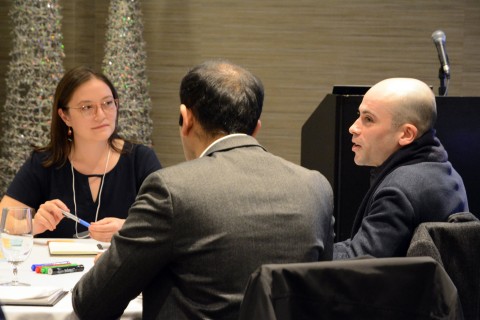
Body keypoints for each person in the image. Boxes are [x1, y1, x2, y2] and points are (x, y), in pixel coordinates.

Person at [72, 59, 334, 319]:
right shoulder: (316, 187)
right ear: (256, 128)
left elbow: (92, 304)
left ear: (186, 119)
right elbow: (322, 297)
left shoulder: (171, 189)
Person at [0, 66, 161, 242]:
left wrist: (127, 227)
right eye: (86, 107)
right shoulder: (44, 162)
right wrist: (33, 225)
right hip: (55, 268)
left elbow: (166, 222)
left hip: (122, 269)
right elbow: (3, 220)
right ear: (65, 116)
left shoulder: (140, 160)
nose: (100, 115)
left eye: (107, 103)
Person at [333, 78, 469, 259]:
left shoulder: (399, 191)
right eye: (358, 115)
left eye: (368, 119)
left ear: (406, 134)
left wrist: (306, 251)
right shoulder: (444, 171)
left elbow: (359, 264)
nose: (353, 128)